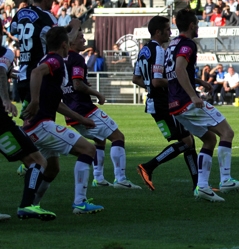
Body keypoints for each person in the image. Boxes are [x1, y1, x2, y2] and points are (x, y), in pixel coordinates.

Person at [21, 27, 105, 214]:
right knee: (88, 149)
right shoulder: (55, 60)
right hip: (41, 125)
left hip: (36, 125)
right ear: (64, 44)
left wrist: (81, 119)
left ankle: (30, 206)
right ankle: (80, 203)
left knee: (52, 170)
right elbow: (35, 73)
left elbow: (56, 103)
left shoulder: (48, 60)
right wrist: (35, 101)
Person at [166, 8, 239, 201]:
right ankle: (226, 180)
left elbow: (173, 71)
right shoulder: (188, 44)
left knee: (210, 140)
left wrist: (198, 81)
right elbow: (179, 68)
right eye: (198, 24)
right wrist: (193, 95)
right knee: (227, 133)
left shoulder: (172, 44)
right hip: (187, 102)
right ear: (192, 25)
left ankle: (202, 186)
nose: (199, 28)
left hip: (174, 105)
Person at [63, 28, 141, 189]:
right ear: (70, 41)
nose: (84, 40)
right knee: (118, 137)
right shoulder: (76, 58)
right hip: (83, 108)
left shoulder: (60, 59)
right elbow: (77, 84)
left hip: (70, 110)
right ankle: (121, 179)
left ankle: (98, 177)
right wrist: (97, 93)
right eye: (80, 37)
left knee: (100, 139)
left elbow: (71, 83)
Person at [132, 16, 198, 191]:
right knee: (187, 142)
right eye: (167, 30)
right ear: (158, 32)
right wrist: (177, 84)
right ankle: (148, 166)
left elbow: (136, 78)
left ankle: (199, 184)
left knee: (188, 140)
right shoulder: (160, 51)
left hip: (154, 103)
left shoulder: (144, 50)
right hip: (164, 102)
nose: (170, 32)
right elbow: (157, 81)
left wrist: (151, 86)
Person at [0, 44, 56, 221]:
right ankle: (26, 206)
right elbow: (1, 72)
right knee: (37, 160)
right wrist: (6, 100)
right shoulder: (4, 52)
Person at [10, 0, 79, 115]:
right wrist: (75, 27)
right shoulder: (46, 17)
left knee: (32, 123)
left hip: (23, 77)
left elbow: (14, 30)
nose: (53, 0)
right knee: (41, 124)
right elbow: (65, 42)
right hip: (39, 77)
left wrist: (62, 28)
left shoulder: (20, 14)